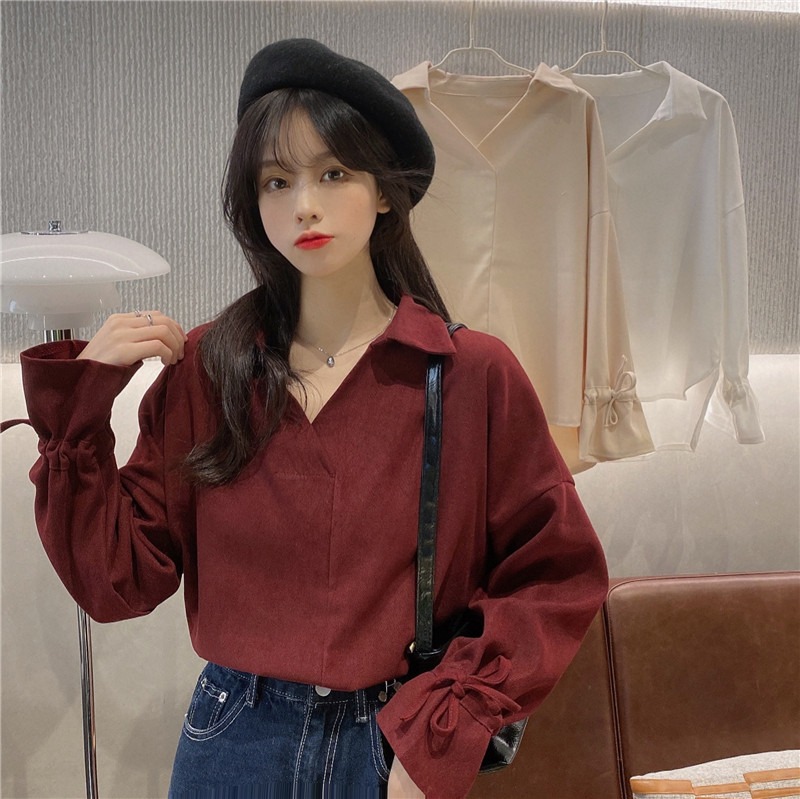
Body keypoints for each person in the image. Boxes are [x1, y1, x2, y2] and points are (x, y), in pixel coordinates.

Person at [19, 39, 608, 799]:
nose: (304, 204)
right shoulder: (209, 371)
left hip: (392, 741)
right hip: (232, 742)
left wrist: (446, 727)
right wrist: (79, 411)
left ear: (385, 190)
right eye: (277, 180)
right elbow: (118, 583)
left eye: (333, 173)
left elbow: (555, 573)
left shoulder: (468, 376)